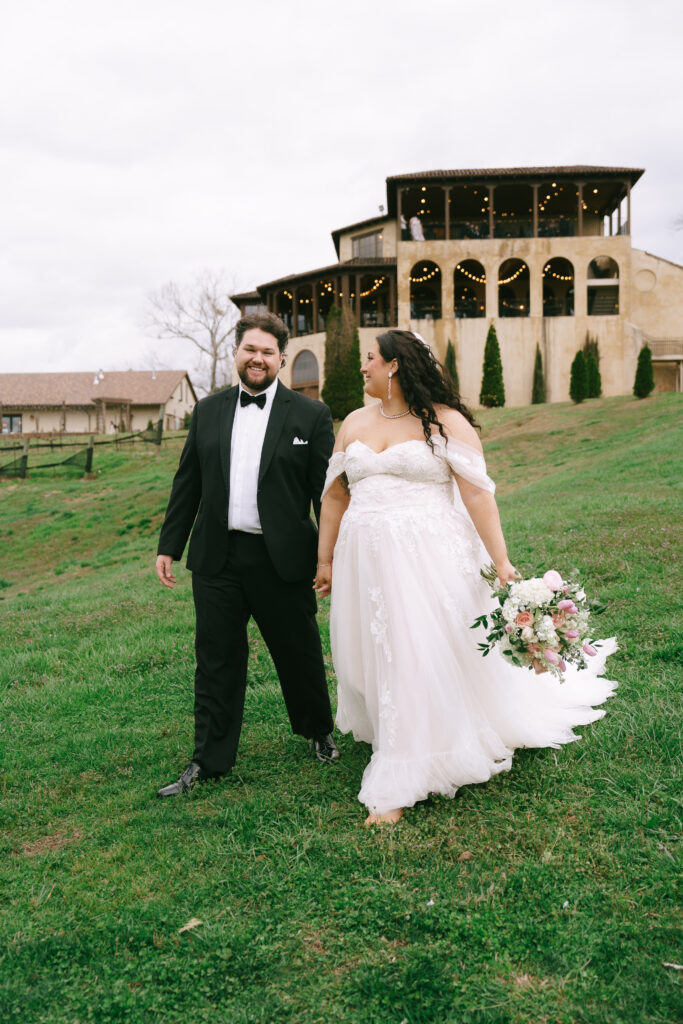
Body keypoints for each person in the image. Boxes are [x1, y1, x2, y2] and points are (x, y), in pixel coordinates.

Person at [314, 330, 616, 825]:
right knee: (378, 650)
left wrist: (501, 563)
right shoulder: (352, 424)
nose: (362, 367)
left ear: (392, 366)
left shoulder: (445, 421)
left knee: (415, 650)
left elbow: (477, 495)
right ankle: (399, 728)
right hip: (364, 561)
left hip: (427, 558)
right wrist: (325, 560)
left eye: (369, 359)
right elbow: (334, 497)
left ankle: (403, 771)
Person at [155, 312, 339, 798]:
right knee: (216, 659)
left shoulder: (311, 416)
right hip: (217, 558)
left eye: (267, 352)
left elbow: (326, 495)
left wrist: (330, 556)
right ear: (236, 353)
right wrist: (169, 545)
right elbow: (187, 481)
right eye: (249, 350)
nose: (257, 359)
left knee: (297, 651)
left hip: (282, 559)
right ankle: (208, 760)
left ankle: (318, 731)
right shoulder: (209, 411)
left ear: (281, 357)